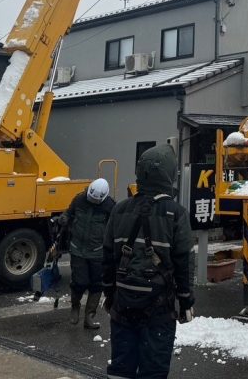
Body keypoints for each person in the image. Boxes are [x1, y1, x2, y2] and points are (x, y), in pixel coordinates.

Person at [103, 144, 194, 379]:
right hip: (159, 308)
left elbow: (107, 257)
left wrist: (109, 294)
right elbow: (183, 262)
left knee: (121, 366)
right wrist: (185, 301)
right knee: (153, 369)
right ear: (169, 175)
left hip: (122, 304)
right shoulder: (176, 213)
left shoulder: (119, 209)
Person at [58, 178, 115, 329]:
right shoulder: (79, 199)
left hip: (97, 252)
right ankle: (75, 307)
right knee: (79, 282)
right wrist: (64, 218)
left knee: (97, 285)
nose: (93, 201)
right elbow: (69, 213)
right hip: (78, 249)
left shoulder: (110, 206)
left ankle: (89, 316)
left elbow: (114, 229)